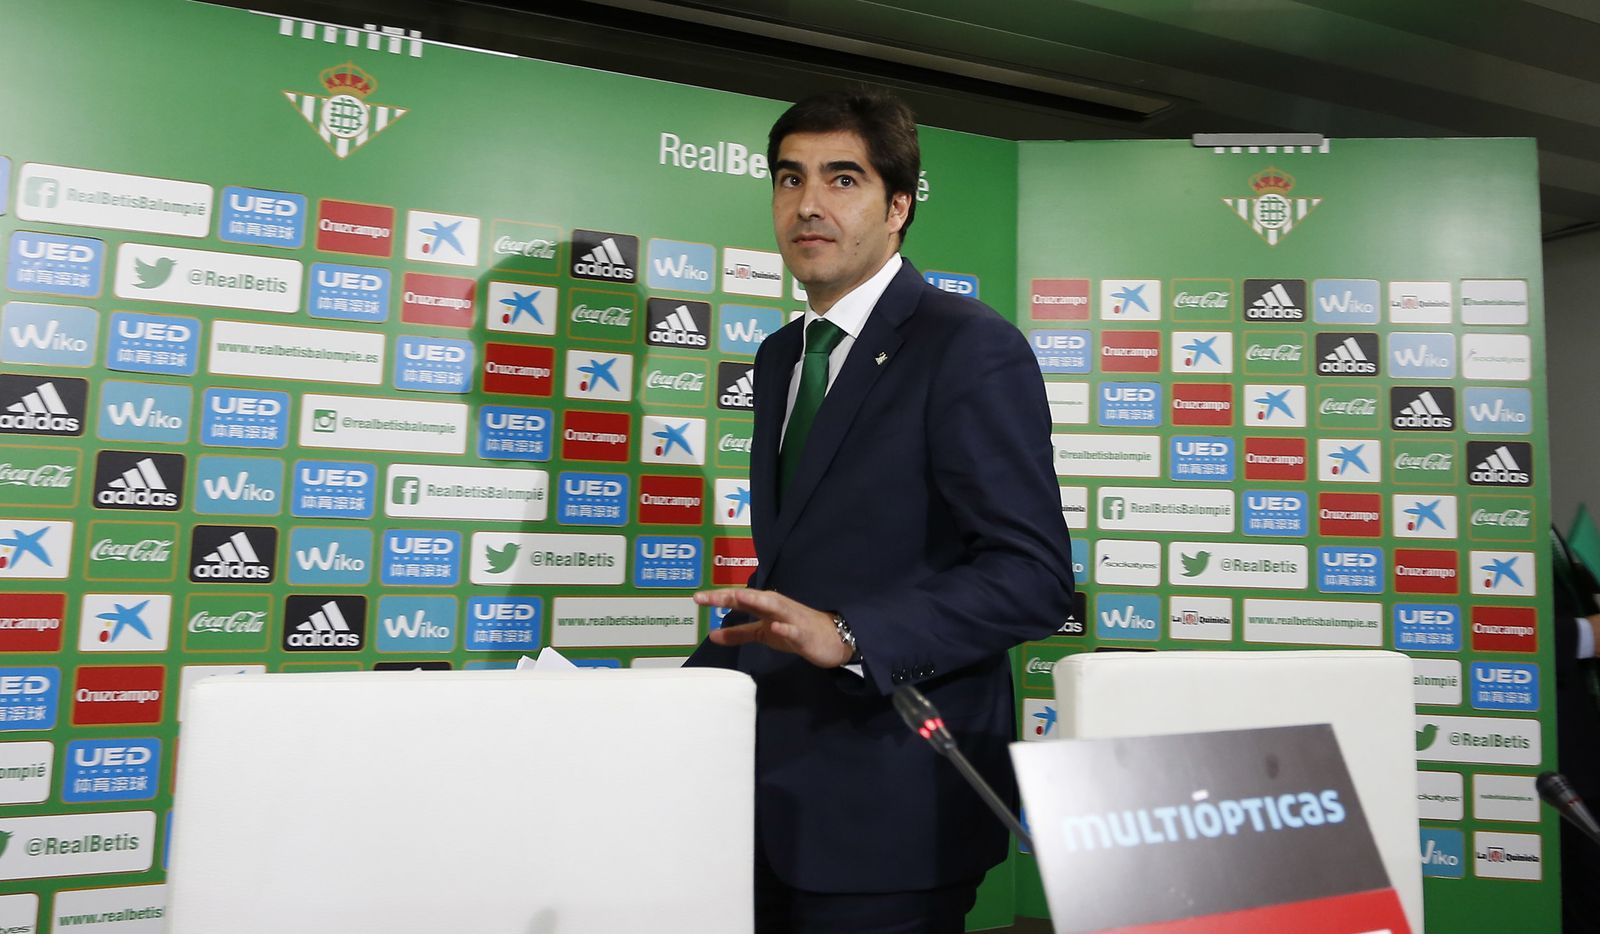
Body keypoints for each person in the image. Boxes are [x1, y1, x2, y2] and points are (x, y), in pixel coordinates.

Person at [685, 88, 1074, 934]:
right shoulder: (782, 354)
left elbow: (1034, 578)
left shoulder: (968, 346)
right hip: (765, 802)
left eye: (842, 179)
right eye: (789, 178)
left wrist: (852, 633)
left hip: (895, 807)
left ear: (898, 206)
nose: (808, 204)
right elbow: (806, 564)